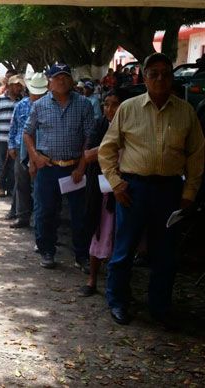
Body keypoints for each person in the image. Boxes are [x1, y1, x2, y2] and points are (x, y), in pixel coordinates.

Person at [98, 53, 205, 326]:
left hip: (170, 190)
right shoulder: (129, 108)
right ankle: (118, 301)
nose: (160, 78)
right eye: (153, 73)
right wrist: (116, 183)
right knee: (124, 250)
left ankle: (160, 307)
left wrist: (189, 194)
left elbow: (196, 156)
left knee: (165, 254)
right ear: (143, 77)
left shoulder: (186, 112)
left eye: (165, 73)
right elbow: (107, 149)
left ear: (171, 78)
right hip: (133, 189)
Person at [24, 63, 95, 271]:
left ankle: (82, 256)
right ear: (49, 82)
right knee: (45, 212)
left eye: (65, 76)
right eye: (57, 77)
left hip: (74, 169)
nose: (62, 80)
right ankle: (47, 251)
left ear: (71, 80)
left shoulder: (84, 104)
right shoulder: (39, 105)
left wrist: (81, 167)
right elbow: (27, 133)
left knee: (79, 215)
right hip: (48, 168)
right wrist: (35, 157)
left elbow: (89, 137)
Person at [79, 89, 128, 297]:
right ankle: (92, 280)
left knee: (123, 237)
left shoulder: (132, 126)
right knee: (98, 232)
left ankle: (120, 285)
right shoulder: (100, 126)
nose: (110, 109)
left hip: (125, 189)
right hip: (101, 189)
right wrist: (112, 146)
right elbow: (88, 155)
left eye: (115, 104)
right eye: (106, 104)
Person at [7, 73, 48, 229]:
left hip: (43, 151)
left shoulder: (50, 106)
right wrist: (11, 145)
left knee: (40, 187)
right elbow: (14, 126)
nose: (37, 94)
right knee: (22, 184)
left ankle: (40, 221)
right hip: (20, 149)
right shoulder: (21, 105)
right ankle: (22, 216)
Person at [0, 75, 24, 200]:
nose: (19, 87)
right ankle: (1, 187)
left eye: (21, 85)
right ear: (9, 85)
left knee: (14, 165)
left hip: (17, 140)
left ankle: (11, 187)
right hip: (2, 138)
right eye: (16, 85)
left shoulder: (23, 101)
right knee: (2, 164)